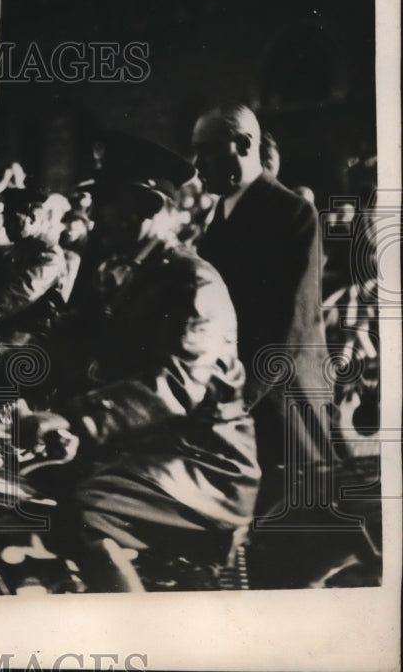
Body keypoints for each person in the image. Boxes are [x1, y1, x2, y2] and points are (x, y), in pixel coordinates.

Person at [33, 132, 259, 591]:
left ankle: (140, 640)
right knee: (25, 490)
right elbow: (63, 345)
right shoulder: (121, 272)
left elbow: (174, 385)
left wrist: (71, 416)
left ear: (149, 208)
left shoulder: (194, 283)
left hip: (205, 461)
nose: (93, 215)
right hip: (147, 449)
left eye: (106, 202)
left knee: (85, 511)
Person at [192, 104, 332, 478]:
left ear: (243, 143)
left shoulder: (293, 213)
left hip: (279, 401)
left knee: (297, 518)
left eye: (206, 150)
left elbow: (290, 324)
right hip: (233, 398)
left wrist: (242, 396)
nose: (196, 164)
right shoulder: (221, 215)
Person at [0, 186, 71, 346]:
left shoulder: (49, 255)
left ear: (32, 218)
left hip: (33, 336)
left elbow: (23, 289)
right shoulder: (20, 249)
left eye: (12, 219)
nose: (5, 225)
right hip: (8, 327)